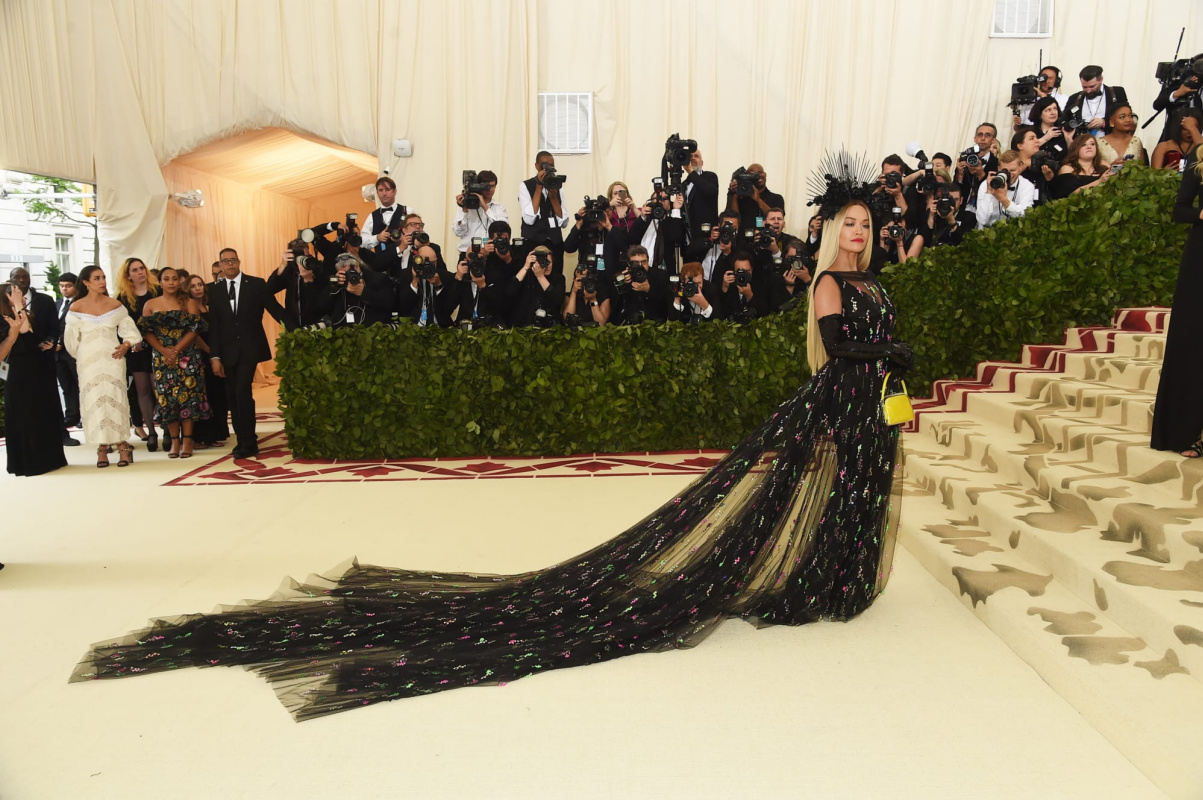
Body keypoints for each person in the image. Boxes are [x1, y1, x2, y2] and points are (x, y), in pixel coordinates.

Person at [70, 163, 912, 721]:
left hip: (876, 409)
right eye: (846, 222)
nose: (857, 233)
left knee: (853, 497)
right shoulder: (832, 283)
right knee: (760, 506)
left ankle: (838, 579)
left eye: (865, 224)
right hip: (843, 401)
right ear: (827, 232)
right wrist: (888, 357)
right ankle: (819, 585)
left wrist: (891, 374)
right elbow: (836, 350)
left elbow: (865, 351)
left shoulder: (875, 279)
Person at [209, 248, 288, 459]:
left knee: (242, 392)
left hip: (250, 349)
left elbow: (275, 309)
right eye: (225, 261)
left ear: (239, 261)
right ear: (220, 265)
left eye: (233, 260)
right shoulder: (214, 291)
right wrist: (214, 356)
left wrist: (295, 326)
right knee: (233, 396)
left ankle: (248, 441)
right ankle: (242, 437)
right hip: (226, 352)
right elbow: (214, 327)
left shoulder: (255, 284)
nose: (229, 264)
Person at [1151, 144, 1203, 457]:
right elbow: (1179, 209)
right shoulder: (1199, 156)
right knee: (1194, 342)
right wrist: (1200, 212)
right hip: (1201, 256)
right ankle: (1190, 433)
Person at [63, 266, 143, 467]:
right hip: (88, 361)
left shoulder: (115, 305)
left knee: (115, 397)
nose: (102, 281)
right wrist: (83, 356)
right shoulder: (76, 307)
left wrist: (125, 345)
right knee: (94, 399)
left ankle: (122, 444)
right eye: (97, 278)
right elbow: (71, 342)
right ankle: (101, 447)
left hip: (113, 358)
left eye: (104, 277)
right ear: (86, 282)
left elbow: (130, 332)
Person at [2, 281, 67, 476]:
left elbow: (31, 336)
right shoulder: (7, 317)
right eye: (17, 295)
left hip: (38, 368)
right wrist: (18, 305)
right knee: (26, 415)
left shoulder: (25, 313)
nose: (23, 297)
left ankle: (50, 458)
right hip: (19, 373)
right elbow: (22, 331)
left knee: (43, 412)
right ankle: (30, 462)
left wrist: (44, 344)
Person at [10, 267, 79, 447]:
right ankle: (31, 438)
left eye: (25, 277)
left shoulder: (45, 300)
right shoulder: (5, 301)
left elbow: (54, 328)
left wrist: (48, 343)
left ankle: (60, 434)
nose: (21, 281)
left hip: (43, 357)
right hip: (18, 359)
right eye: (16, 277)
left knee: (50, 396)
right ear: (11, 280)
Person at [114, 257, 161, 451]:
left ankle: (168, 429)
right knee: (142, 390)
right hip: (136, 349)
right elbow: (120, 326)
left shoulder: (157, 291)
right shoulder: (122, 298)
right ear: (128, 275)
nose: (140, 272)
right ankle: (151, 431)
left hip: (158, 346)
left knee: (160, 388)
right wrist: (131, 342)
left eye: (142, 268)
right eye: (135, 270)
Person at [187, 274, 228, 448]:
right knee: (203, 395)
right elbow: (194, 335)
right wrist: (210, 351)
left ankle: (215, 434)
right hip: (200, 355)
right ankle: (200, 436)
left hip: (215, 352)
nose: (198, 288)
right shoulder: (189, 307)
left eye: (200, 284)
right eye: (193, 286)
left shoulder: (208, 305)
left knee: (217, 394)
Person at [518, 152, 571, 276]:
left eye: (551, 166)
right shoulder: (525, 185)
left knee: (556, 277)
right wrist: (538, 187)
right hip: (533, 243)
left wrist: (553, 197)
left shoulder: (558, 187)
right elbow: (529, 219)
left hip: (555, 243)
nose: (548, 169)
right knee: (533, 279)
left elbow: (563, 222)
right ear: (537, 166)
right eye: (544, 165)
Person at [316, 252, 395, 328]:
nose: (348, 276)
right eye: (344, 273)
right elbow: (322, 306)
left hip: (371, 330)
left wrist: (363, 292)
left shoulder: (377, 279)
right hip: (342, 331)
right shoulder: (336, 283)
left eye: (350, 271)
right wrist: (332, 287)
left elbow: (389, 303)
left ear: (357, 267)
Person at [1064, 65, 1128, 139]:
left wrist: (1104, 123)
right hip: (1083, 146)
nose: (1088, 91)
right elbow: (1064, 121)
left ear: (1101, 79)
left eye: (1092, 86)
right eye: (1084, 87)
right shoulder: (1074, 98)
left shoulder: (1117, 93)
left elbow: (1126, 118)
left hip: (1111, 144)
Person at [452, 170, 507, 254]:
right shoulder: (466, 204)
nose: (490, 189)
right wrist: (464, 210)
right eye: (486, 186)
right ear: (478, 186)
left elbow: (503, 229)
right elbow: (458, 232)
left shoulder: (499, 206)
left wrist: (485, 207)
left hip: (491, 252)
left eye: (492, 186)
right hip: (468, 253)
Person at [976, 151, 1034, 228]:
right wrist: (989, 192)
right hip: (986, 233)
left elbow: (1024, 216)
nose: (1009, 175)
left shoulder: (1027, 186)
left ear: (1020, 166)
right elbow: (982, 220)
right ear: (999, 168)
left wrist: (1004, 200)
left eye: (1013, 170)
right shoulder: (986, 184)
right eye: (1005, 171)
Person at [54, 271, 81, 429]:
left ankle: (82, 415)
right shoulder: (57, 304)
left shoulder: (79, 304)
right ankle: (71, 415)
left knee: (79, 384)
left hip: (72, 351)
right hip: (57, 354)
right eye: (62, 286)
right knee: (66, 386)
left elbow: (72, 327)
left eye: (68, 286)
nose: (64, 289)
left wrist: (62, 343)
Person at [1049, 135, 1113, 199]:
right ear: (1076, 149)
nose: (1089, 147)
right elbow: (1069, 197)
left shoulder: (1104, 168)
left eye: (1092, 144)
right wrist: (1099, 181)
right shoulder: (1067, 169)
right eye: (1083, 145)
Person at [681, 149, 720, 246]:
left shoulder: (710, 176)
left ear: (702, 163)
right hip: (689, 236)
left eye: (696, 156)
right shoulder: (684, 184)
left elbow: (710, 190)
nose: (693, 158)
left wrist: (690, 171)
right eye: (690, 157)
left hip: (706, 234)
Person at [360, 177, 407, 254]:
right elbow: (362, 242)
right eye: (381, 190)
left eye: (387, 190)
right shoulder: (372, 216)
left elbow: (417, 235)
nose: (384, 193)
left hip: (404, 262)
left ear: (395, 191)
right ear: (377, 193)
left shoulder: (407, 211)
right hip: (382, 263)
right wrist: (377, 238)